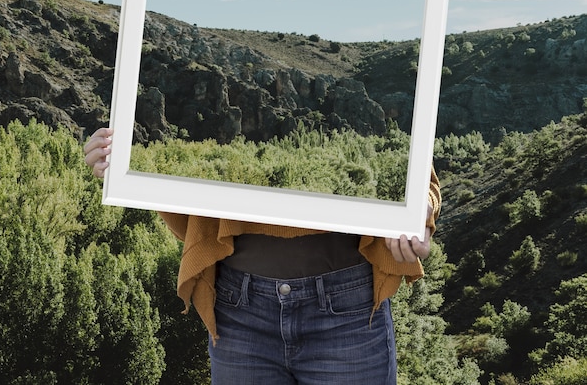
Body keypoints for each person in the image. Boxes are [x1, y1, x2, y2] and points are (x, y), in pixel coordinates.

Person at [85, 126, 440, 385]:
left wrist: (419, 210)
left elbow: (419, 170)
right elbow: (181, 173)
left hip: (348, 311)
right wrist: (121, 163)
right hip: (238, 310)